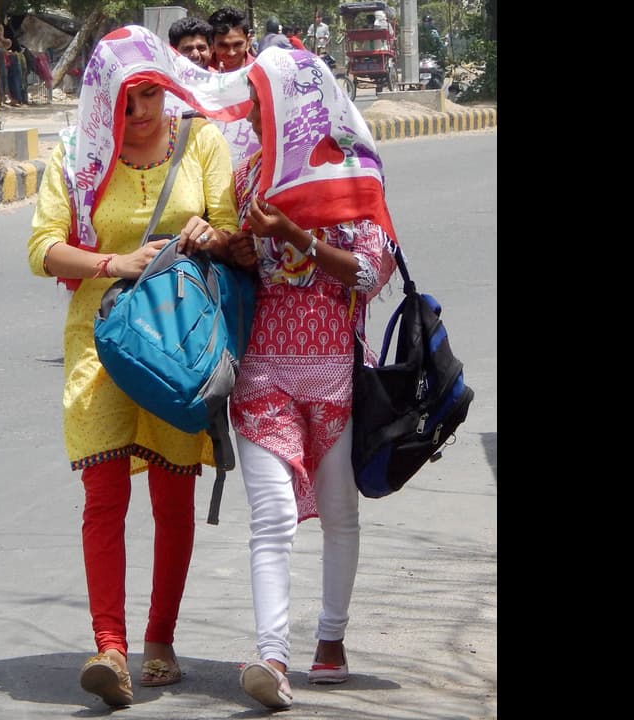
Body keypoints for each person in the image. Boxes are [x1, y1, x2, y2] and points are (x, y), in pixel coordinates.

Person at [25, 25, 242, 708]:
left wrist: (211, 233)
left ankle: (160, 638)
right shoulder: (76, 154)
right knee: (104, 495)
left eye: (149, 94)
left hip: (179, 341)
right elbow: (41, 248)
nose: (139, 111)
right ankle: (111, 647)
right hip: (101, 344)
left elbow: (231, 229)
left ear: (166, 88)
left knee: (173, 495)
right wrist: (112, 263)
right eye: (124, 99)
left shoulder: (200, 140)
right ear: (102, 99)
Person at [222, 47, 397, 710]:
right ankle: (272, 656)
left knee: (339, 513)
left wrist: (298, 235)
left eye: (266, 102)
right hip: (263, 371)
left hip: (336, 378)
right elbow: (240, 268)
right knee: (271, 517)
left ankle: (331, 638)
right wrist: (235, 249)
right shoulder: (247, 176)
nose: (255, 115)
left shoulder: (355, 174)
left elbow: (368, 274)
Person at [208, 7, 255, 72]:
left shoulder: (261, 71)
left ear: (248, 41)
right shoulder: (199, 72)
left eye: (238, 44)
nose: (231, 53)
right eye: (223, 45)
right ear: (212, 43)